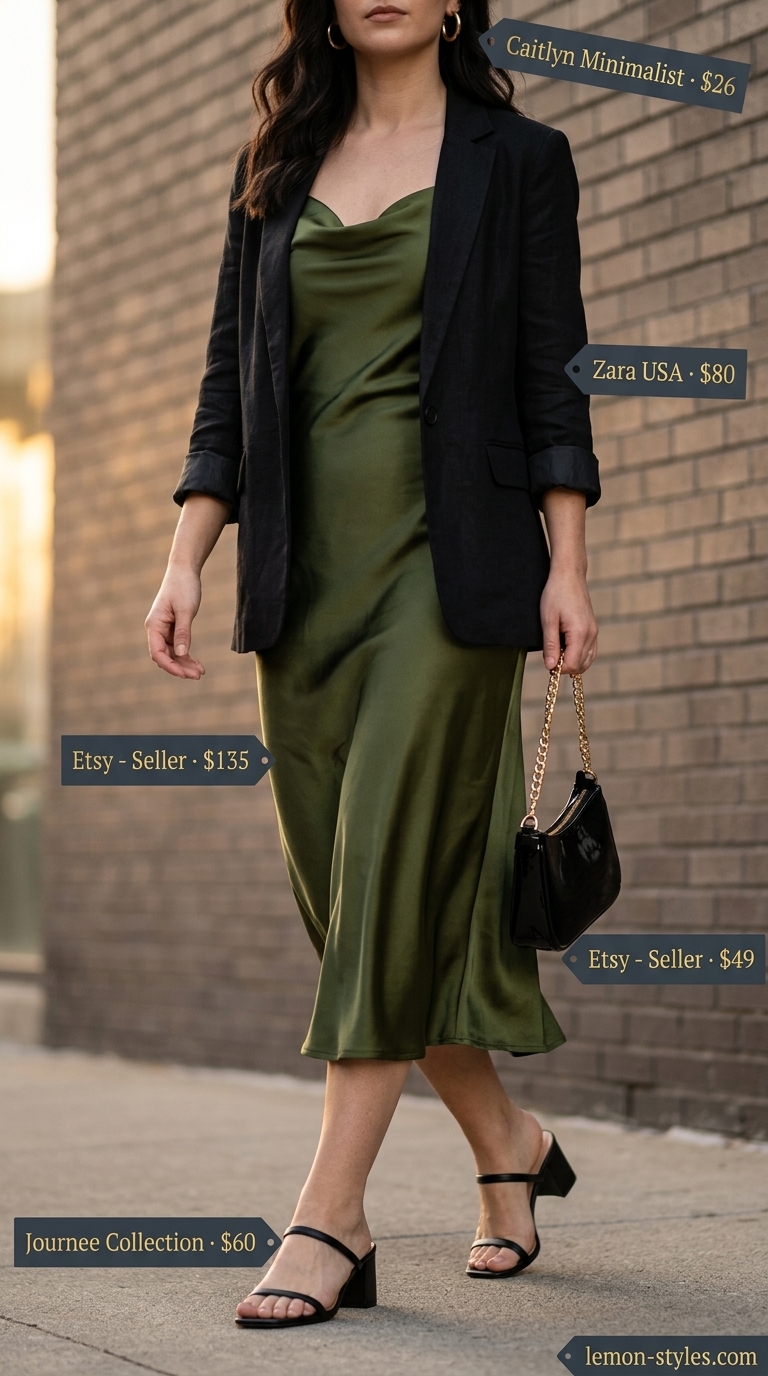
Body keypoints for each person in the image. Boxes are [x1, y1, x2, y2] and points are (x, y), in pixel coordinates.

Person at [145, 0, 600, 1330]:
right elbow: (227, 385)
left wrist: (567, 562)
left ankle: (328, 1219)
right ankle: (510, 1144)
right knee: (370, 910)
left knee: (389, 864)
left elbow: (549, 375)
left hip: (450, 580)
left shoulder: (520, 160)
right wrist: (186, 556)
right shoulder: (275, 165)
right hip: (302, 585)